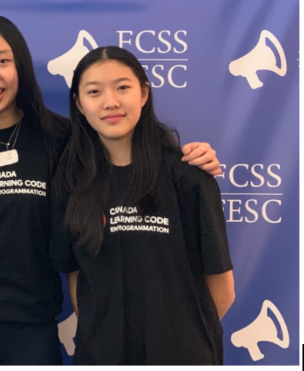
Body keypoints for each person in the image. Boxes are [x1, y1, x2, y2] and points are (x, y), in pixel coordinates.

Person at [0, 14, 222, 365]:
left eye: (3, 60)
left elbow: (124, 164)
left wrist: (192, 157)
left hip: (29, 330)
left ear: (21, 66)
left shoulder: (60, 140)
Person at [49, 46, 235, 365]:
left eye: (123, 87)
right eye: (94, 92)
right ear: (79, 104)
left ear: (144, 94)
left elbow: (222, 290)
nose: (111, 102)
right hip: (102, 356)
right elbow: (78, 278)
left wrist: (175, 340)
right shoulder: (71, 185)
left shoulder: (189, 176)